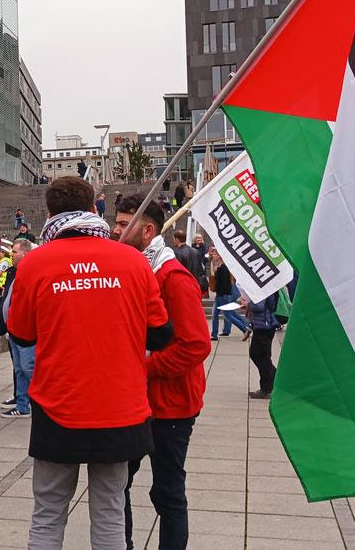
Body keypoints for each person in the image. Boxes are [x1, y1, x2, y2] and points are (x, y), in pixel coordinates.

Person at [6, 177, 172, 550]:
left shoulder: (34, 264)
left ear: (49, 213)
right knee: (111, 511)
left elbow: (21, 335)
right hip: (120, 407)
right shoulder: (133, 260)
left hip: (58, 405)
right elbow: (161, 334)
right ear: (94, 209)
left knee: (48, 511)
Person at [112, 196, 211, 550]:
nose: (116, 230)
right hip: (137, 403)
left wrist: (142, 368)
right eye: (117, 222)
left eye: (125, 224)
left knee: (167, 492)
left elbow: (196, 345)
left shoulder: (173, 277)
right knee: (117, 485)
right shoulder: (133, 270)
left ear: (148, 229)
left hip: (171, 406)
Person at [0, 239, 34, 419]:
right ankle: (22, 404)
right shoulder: (14, 272)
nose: (11, 255)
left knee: (28, 369)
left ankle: (41, 403)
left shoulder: (32, 273)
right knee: (19, 369)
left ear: (25, 254)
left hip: (27, 332)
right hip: (13, 330)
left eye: (15, 252)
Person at [244, 292, 280, 399]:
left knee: (259, 355)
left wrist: (247, 304)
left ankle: (267, 388)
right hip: (263, 325)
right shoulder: (265, 287)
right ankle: (275, 382)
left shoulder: (264, 288)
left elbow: (259, 306)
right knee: (261, 356)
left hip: (264, 326)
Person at [208, 248, 249, 340]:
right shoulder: (222, 267)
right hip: (221, 295)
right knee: (215, 314)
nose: (213, 256)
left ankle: (244, 329)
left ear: (220, 256)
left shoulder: (223, 269)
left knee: (228, 315)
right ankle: (214, 334)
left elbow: (224, 284)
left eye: (215, 254)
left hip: (223, 295)